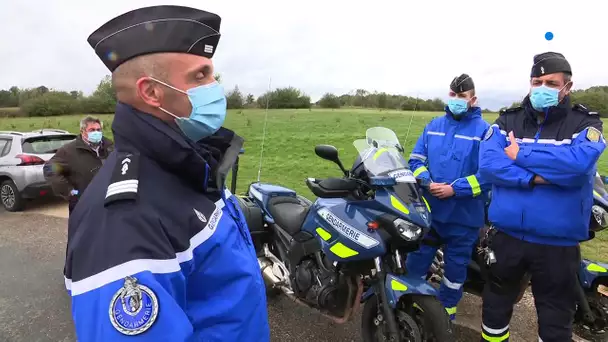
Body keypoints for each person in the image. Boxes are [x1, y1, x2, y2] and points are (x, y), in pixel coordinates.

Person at [63, 5, 270, 342]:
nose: (215, 88)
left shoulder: (191, 165)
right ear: (151, 92)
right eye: (200, 76)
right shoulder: (123, 222)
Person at [478, 52, 606, 342]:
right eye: (537, 81)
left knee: (555, 319)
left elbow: (576, 168)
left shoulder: (585, 124)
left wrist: (519, 154)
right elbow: (488, 165)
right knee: (495, 309)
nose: (542, 88)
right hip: (507, 238)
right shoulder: (507, 120)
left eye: (551, 82)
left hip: (557, 246)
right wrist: (535, 177)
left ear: (567, 87)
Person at [406, 74, 491, 320]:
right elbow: (416, 160)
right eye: (453, 94)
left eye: (462, 96)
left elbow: (486, 176)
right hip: (429, 212)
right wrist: (427, 181)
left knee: (455, 272)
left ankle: (446, 317)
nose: (456, 99)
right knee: (416, 264)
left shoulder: (485, 132)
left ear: (472, 99)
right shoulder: (433, 125)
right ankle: (409, 308)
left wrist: (455, 189)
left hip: (463, 219)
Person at [44, 116, 113, 214]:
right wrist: (71, 192)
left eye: (98, 130)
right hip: (83, 205)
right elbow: (50, 169)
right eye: (92, 130)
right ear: (82, 131)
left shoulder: (109, 148)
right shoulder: (69, 151)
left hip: (108, 203)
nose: (96, 133)